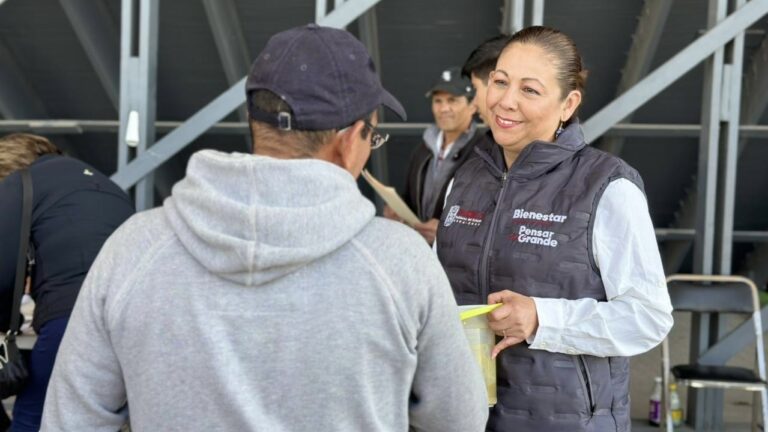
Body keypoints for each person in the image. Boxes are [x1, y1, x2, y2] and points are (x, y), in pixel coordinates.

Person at [41, 24, 488, 432]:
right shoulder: (401, 263)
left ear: (256, 121)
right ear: (350, 139)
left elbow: (70, 420)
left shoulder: (133, 248)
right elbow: (460, 420)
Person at [436, 26, 673, 431]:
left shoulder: (606, 185)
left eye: (529, 90)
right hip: (466, 416)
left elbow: (647, 317)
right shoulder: (466, 178)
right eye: (500, 82)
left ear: (568, 104)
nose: (506, 101)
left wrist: (541, 318)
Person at [0, 133, 134, 432]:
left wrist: (7, 326)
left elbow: (3, 269)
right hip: (136, 322)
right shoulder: (107, 187)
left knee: (33, 419)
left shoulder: (22, 182)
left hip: (72, 319)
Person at [390, 67, 477, 245]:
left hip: (456, 255)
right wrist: (397, 212)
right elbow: (410, 198)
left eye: (452, 100)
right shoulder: (423, 148)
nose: (443, 109)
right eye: (438, 101)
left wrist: (447, 233)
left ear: (473, 106)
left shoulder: (483, 152)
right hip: (419, 250)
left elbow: (489, 216)